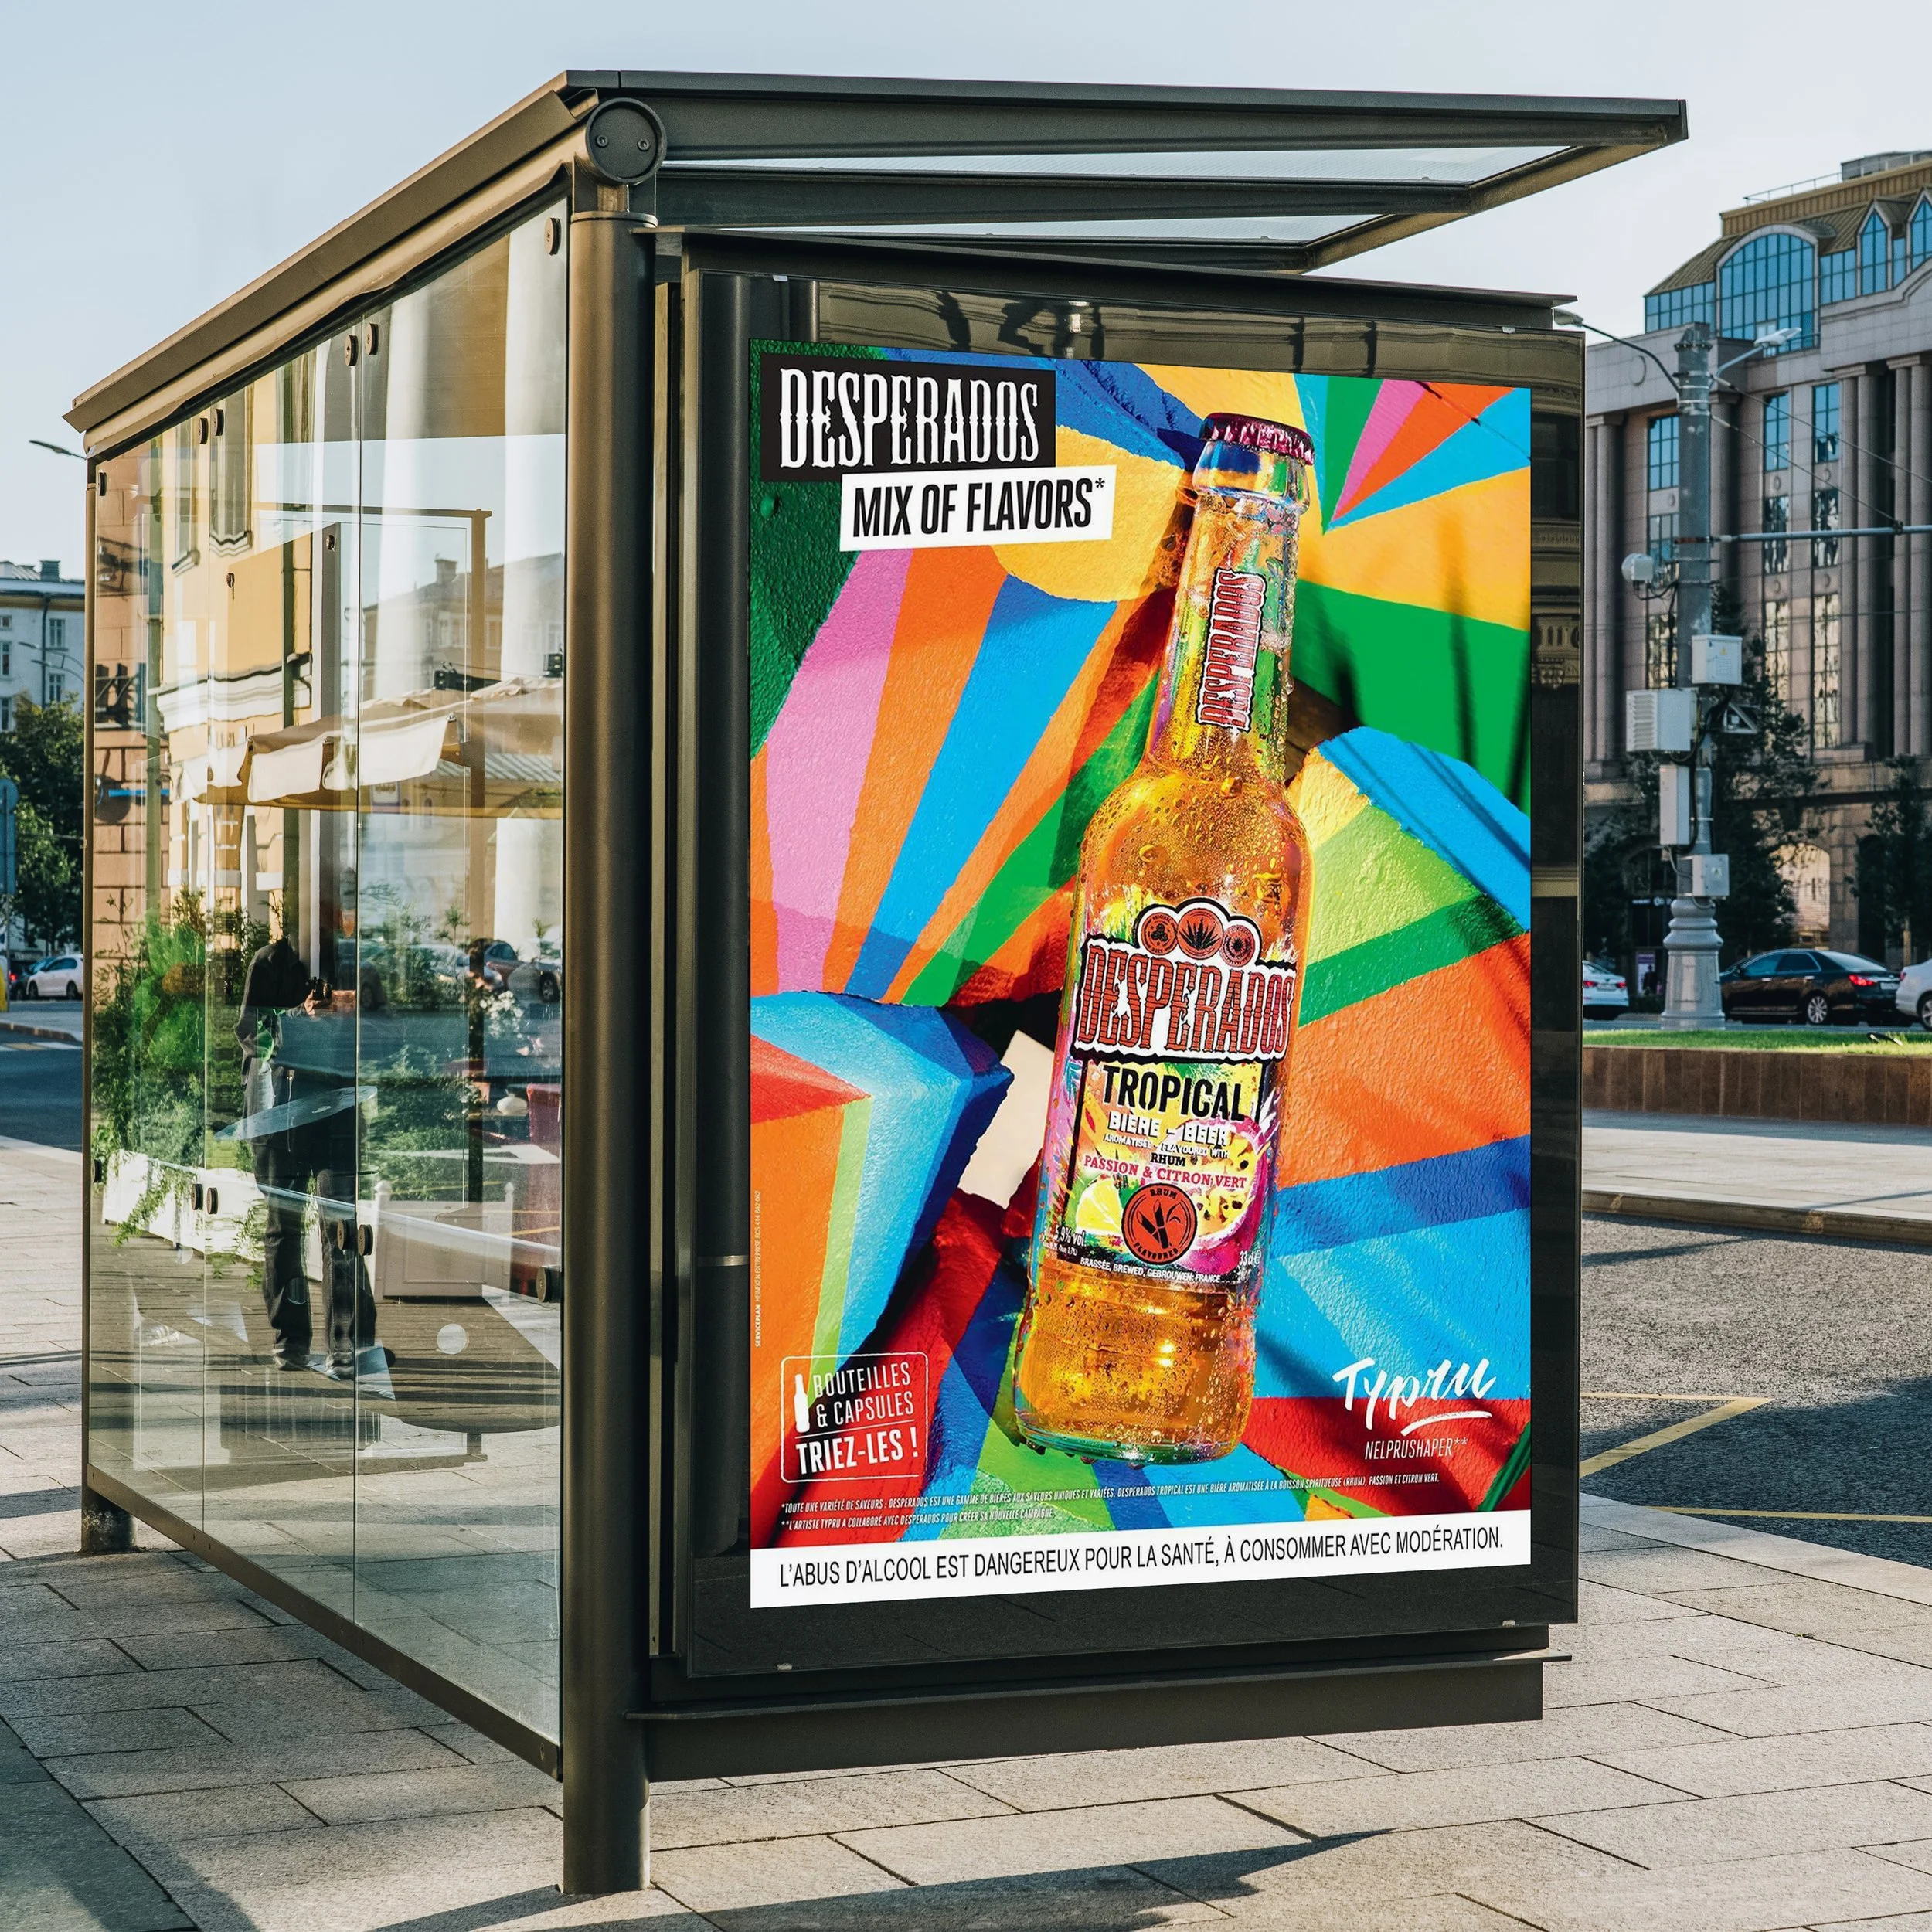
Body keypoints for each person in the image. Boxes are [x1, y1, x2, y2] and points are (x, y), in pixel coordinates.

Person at [236, 936, 377, 1375]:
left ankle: (347, 1346)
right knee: (283, 1229)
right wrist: (300, 1014)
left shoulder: (355, 962)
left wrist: (356, 1013)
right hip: (280, 1113)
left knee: (342, 1228)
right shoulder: (271, 962)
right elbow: (250, 1035)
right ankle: (291, 1342)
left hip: (336, 1112)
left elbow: (392, 1032)